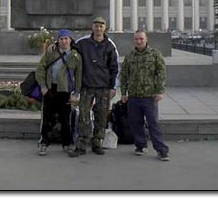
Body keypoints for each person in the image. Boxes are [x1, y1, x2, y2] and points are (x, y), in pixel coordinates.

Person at [68, 17, 119, 157]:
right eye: (96, 26)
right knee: (83, 117)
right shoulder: (83, 44)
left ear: (105, 28)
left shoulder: (109, 46)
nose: (98, 29)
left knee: (101, 116)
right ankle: (82, 145)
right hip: (87, 87)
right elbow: (70, 49)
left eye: (101, 26)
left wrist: (113, 86)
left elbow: (114, 68)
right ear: (92, 27)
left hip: (103, 87)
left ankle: (97, 143)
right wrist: (54, 45)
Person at [120, 30, 170, 161]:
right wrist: (123, 93)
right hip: (134, 96)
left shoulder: (155, 54)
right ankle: (141, 145)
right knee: (136, 123)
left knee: (153, 123)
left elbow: (161, 73)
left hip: (149, 96)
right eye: (136, 39)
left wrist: (160, 90)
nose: (139, 41)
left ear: (146, 39)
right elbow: (124, 75)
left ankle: (161, 150)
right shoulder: (130, 56)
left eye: (141, 39)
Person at [35, 29, 82, 156]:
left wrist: (76, 93)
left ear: (70, 40)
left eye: (66, 38)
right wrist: (43, 86)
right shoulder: (51, 52)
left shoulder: (75, 56)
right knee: (47, 118)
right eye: (61, 39)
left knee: (65, 119)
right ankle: (44, 143)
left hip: (65, 91)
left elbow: (79, 76)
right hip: (50, 89)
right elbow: (40, 69)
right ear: (58, 40)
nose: (64, 41)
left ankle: (66, 144)